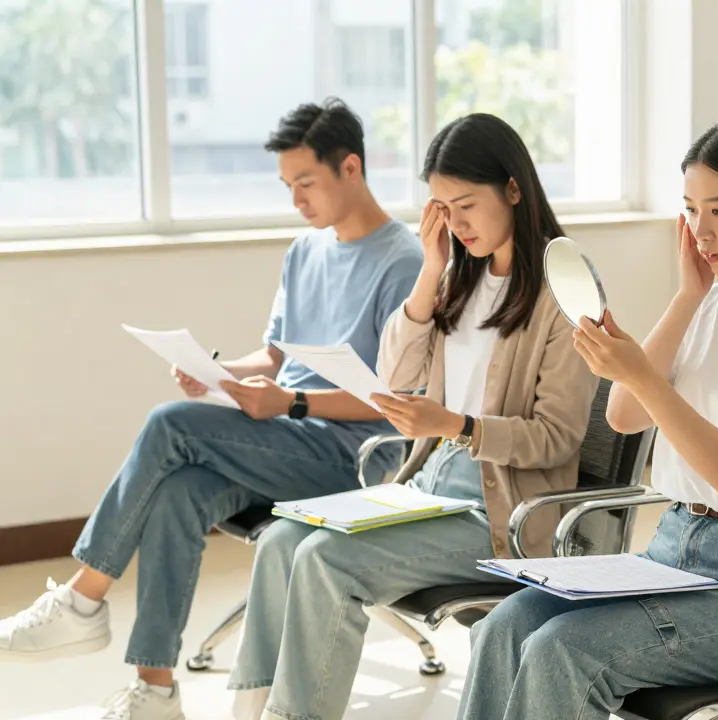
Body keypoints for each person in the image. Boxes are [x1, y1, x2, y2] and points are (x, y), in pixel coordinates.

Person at [0, 98, 422, 720]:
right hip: (287, 439)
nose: (296, 200)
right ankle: (155, 691)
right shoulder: (305, 251)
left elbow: (399, 401)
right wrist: (221, 372)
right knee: (181, 491)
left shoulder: (404, 262)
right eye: (287, 185)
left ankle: (82, 600)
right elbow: (276, 357)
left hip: (350, 457)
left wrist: (292, 403)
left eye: (306, 182)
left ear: (351, 168)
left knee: (168, 423)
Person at [456, 115, 718, 719]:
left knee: (562, 649)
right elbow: (624, 415)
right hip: (672, 548)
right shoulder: (710, 305)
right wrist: (687, 297)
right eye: (692, 210)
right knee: (504, 625)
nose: (701, 230)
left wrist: (643, 374)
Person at [226, 113, 598, 720]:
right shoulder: (460, 275)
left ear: (513, 188)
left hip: (498, 508)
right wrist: (430, 269)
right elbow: (394, 376)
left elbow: (556, 439)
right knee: (280, 541)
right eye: (442, 209)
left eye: (467, 205)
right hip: (428, 483)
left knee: (324, 560)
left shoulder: (565, 290)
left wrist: (457, 426)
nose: (457, 224)